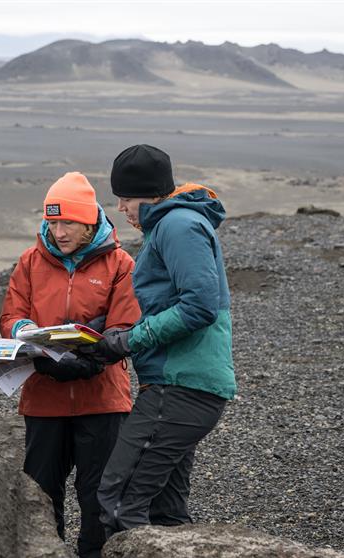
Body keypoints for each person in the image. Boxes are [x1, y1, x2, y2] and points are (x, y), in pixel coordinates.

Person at [86, 144, 236, 534]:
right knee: (164, 511)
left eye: (126, 198)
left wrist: (130, 340)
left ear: (150, 194)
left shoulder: (177, 226)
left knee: (120, 500)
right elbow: (172, 302)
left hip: (179, 386)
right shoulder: (175, 224)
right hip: (186, 386)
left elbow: (199, 306)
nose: (121, 208)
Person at [0, 172, 141, 558]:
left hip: (103, 399)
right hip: (44, 398)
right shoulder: (31, 261)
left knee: (99, 495)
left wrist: (90, 359)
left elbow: (126, 325)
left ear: (89, 222)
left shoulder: (120, 263)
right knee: (40, 491)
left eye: (68, 223)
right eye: (52, 222)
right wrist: (24, 331)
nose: (58, 231)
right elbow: (11, 314)